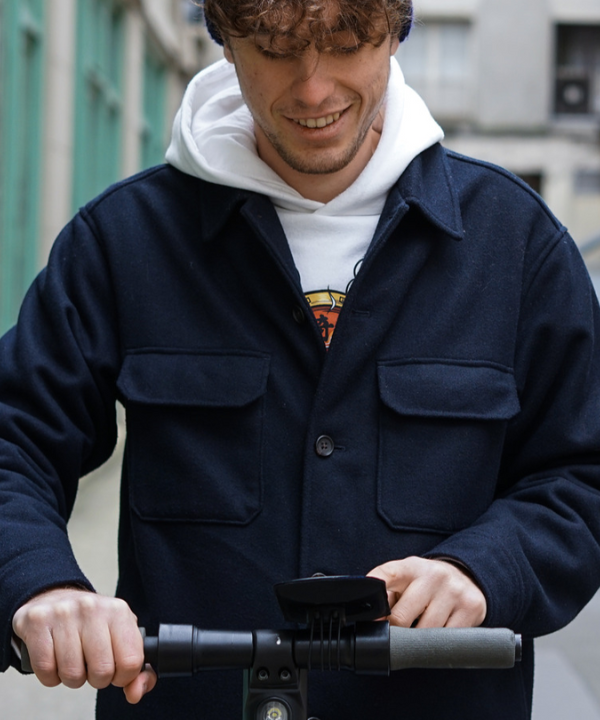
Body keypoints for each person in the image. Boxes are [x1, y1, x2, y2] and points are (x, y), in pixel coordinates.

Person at [2, 0, 600, 717]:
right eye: (276, 49)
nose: (314, 89)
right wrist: (39, 580)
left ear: (396, 30)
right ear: (225, 42)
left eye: (345, 44)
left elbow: (582, 475)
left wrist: (488, 567)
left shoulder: (519, 244)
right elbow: (13, 441)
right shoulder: (123, 240)